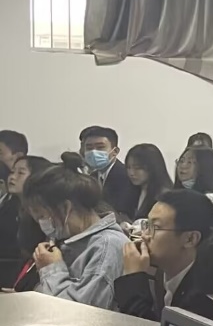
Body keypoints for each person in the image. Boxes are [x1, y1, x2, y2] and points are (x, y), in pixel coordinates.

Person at [23, 163, 130, 309]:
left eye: (42, 216)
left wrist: (51, 269)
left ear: (66, 208)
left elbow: (81, 312)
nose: (42, 223)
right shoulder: (70, 240)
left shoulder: (107, 247)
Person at [114, 189, 213, 321]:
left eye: (155, 227)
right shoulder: (160, 271)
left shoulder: (204, 299)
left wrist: (133, 278)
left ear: (190, 239)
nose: (145, 235)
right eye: (147, 225)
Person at [0, 155, 51, 286]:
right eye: (12, 172)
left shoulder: (44, 214)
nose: (12, 177)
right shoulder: (8, 206)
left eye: (20, 173)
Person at [79, 125, 140, 218]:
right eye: (89, 148)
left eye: (100, 147)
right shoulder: (92, 177)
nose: (94, 152)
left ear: (115, 151)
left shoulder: (126, 176)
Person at [175, 146, 213, 224]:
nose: (183, 166)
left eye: (190, 162)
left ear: (205, 167)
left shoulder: (212, 201)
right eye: (181, 161)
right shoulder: (174, 197)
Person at [123, 143, 174, 220]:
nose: (131, 173)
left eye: (137, 168)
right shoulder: (133, 190)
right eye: (128, 167)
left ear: (153, 167)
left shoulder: (164, 196)